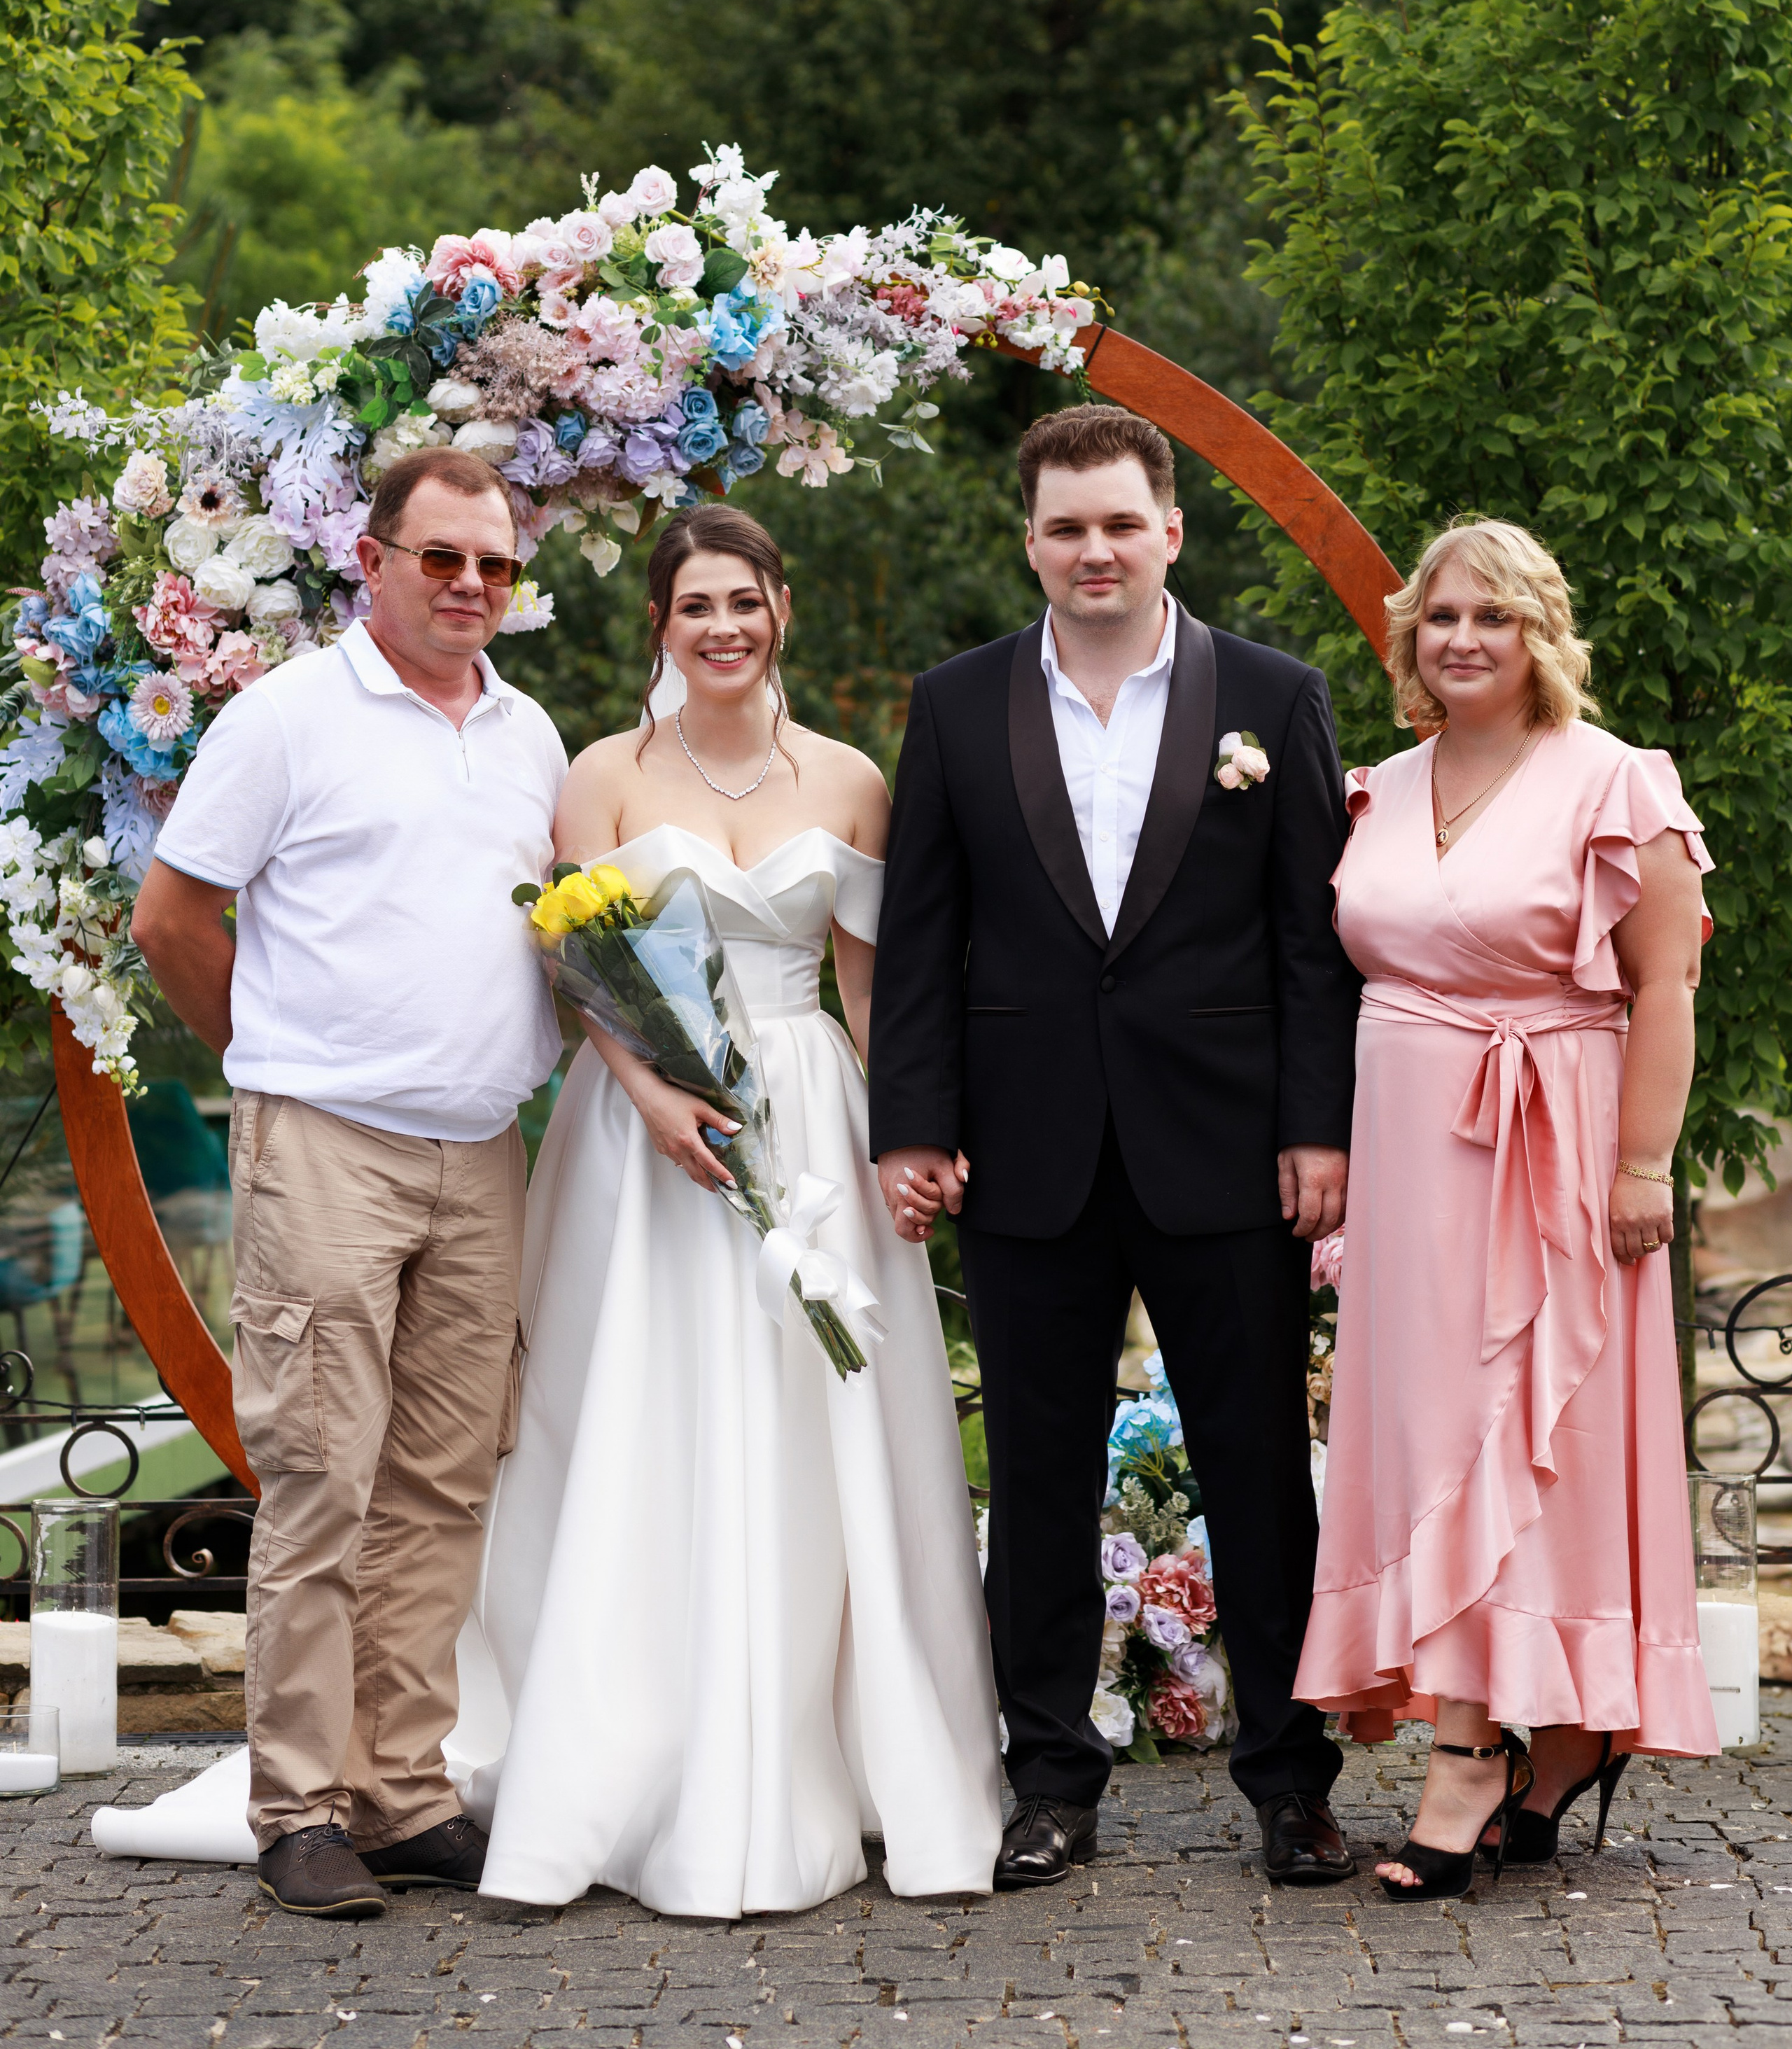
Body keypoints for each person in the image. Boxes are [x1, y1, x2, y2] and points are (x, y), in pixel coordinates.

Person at [445, 503, 1002, 1915]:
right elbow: (579, 973)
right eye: (695, 607)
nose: (722, 629)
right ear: (660, 623)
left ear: (781, 608)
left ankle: (848, 1742)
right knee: (641, 1412)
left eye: (743, 603)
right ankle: (628, 1744)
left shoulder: (850, 779)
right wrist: (646, 1096)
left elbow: (868, 985)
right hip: (648, 1138)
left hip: (811, 1110)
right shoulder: (602, 776)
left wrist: (908, 1137)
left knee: (827, 1422)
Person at [869, 403, 1364, 1891]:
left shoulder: (1270, 699)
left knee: (1260, 1473)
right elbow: (922, 942)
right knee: (1031, 1478)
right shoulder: (955, 706)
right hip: (1024, 1156)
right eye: (1064, 526)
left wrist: (1315, 1131)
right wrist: (915, 1125)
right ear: (1027, 541)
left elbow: (1307, 945)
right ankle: (1049, 1780)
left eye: (1117, 522)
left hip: (1224, 1152)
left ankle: (1290, 1780)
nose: (1093, 549)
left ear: (1170, 530)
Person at [130, 446, 566, 1919]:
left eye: (493, 566)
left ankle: (402, 1791)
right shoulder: (287, 717)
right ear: (370, 562)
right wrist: (276, 1057)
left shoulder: (528, 736)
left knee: (443, 1484)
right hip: (326, 1141)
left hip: (480, 1151)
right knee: (320, 1473)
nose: (467, 586)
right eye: (440, 558)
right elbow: (172, 915)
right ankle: (298, 1806)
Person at [1296, 518, 1718, 1903]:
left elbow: (1662, 985)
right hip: (1410, 1156)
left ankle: (1471, 1753)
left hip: (1560, 1153)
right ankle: (1563, 1741)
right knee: (1431, 1440)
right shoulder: (1380, 787)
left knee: (1539, 1433)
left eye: (1492, 616)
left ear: (1540, 632)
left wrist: (1643, 1165)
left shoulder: (1614, 783)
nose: (1462, 640)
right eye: (1439, 618)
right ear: (1409, 636)